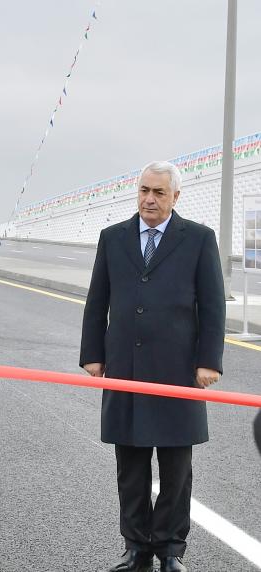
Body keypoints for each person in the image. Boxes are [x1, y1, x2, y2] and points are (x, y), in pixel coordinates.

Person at [80, 161, 225, 572]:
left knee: (177, 468)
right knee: (131, 466)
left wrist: (208, 361)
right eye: (144, 190)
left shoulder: (197, 239)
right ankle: (136, 548)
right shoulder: (113, 238)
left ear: (175, 197)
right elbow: (98, 300)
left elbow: (213, 307)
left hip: (179, 371)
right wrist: (93, 353)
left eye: (159, 193)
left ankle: (170, 550)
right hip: (126, 367)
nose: (149, 199)